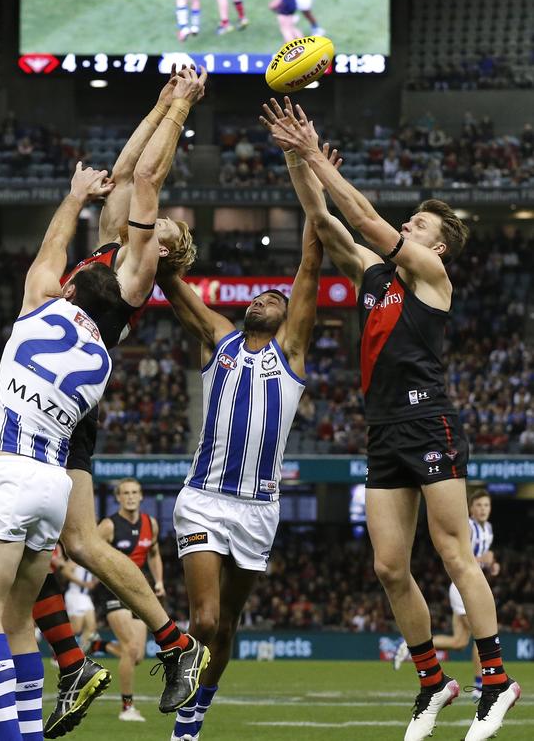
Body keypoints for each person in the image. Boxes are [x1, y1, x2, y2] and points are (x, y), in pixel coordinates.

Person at [0, 68, 209, 738]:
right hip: (47, 425)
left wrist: (183, 106)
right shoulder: (110, 256)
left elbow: (146, 181)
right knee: (40, 575)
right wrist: (160, 99)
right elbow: (123, 172)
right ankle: (77, 663)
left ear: (165, 254)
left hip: (49, 434)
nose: (155, 227)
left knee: (71, 548)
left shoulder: (136, 272)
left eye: (164, 234)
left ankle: (171, 643)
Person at [259, 97, 520, 741]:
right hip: (382, 431)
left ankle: (495, 680)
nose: (412, 225)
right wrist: (299, 159)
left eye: (420, 223)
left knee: (455, 552)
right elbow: (323, 219)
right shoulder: (375, 277)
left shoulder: (432, 275)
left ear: (438, 243)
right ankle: (433, 681)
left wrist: (318, 152)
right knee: (388, 567)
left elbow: (369, 218)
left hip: (429, 421)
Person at [0, 162, 119, 741]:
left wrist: (76, 197)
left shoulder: (41, 306)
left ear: (70, 290)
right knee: (19, 618)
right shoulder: (102, 362)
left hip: (7, 471)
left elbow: (53, 245)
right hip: (54, 485)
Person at [157, 219, 323, 741]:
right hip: (204, 497)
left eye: (273, 298)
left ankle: (193, 718)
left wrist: (314, 207)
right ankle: (180, 678)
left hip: (258, 510)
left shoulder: (290, 352)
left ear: (286, 315)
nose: (262, 301)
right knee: (203, 621)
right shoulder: (221, 340)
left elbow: (309, 269)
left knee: (227, 626)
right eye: (257, 298)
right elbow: (170, 286)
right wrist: (159, 248)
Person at [96, 478, 165, 723]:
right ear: (118, 497)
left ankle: (96, 646)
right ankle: (127, 708)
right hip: (114, 590)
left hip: (139, 590)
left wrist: (159, 582)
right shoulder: (108, 525)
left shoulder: (151, 524)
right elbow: (91, 554)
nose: (130, 496)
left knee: (137, 656)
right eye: (125, 493)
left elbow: (154, 554)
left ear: (141, 495)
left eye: (135, 492)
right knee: (130, 647)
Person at [429, 489, 499, 702]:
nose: (483, 509)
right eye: (478, 505)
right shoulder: (467, 528)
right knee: (482, 634)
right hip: (461, 586)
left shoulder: (488, 528)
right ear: (471, 509)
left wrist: (493, 564)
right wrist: (484, 561)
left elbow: (486, 556)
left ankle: (414, 645)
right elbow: (459, 557)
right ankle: (480, 686)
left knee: (460, 641)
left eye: (486, 505)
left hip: (473, 586)